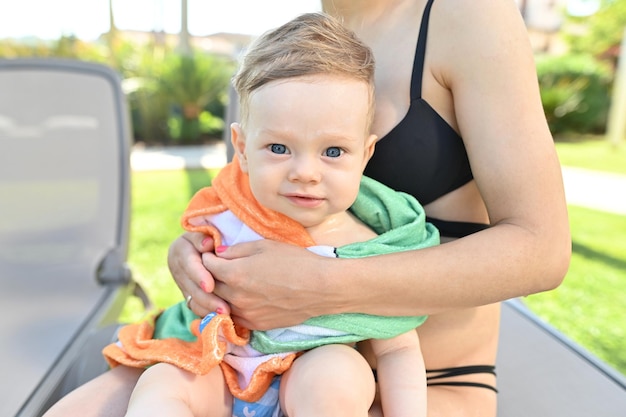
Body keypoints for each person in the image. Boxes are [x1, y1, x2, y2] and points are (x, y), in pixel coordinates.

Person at [43, 1, 571, 416]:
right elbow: (247, 197)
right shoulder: (301, 45)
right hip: (246, 364)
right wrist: (196, 256)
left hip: (421, 380)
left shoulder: (467, 16)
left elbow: (542, 249)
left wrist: (318, 284)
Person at [67, 13, 436, 417]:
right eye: (279, 148)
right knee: (163, 381)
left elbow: (398, 348)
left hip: (307, 383)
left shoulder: (373, 248)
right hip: (219, 372)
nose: (305, 173)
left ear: (365, 155)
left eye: (333, 152)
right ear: (241, 148)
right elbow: (194, 269)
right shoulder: (230, 211)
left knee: (336, 373)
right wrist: (186, 255)